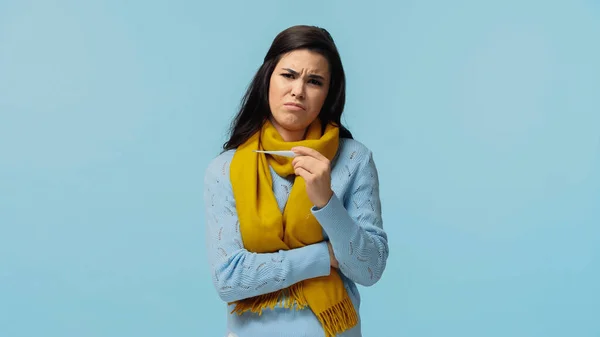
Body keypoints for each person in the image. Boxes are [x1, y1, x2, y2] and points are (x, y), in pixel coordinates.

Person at [203, 25, 389, 337]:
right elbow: (229, 279)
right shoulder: (225, 169)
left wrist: (326, 201)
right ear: (267, 79)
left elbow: (369, 269)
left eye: (314, 81)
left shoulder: (354, 159)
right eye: (288, 75)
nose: (298, 90)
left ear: (329, 93)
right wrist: (323, 256)